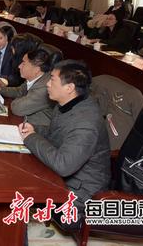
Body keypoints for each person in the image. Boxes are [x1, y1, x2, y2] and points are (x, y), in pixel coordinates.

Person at [19, 60, 111, 227]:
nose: (47, 84)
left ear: (69, 88)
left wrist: (30, 137)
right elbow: (56, 134)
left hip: (79, 194)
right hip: (66, 177)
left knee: (16, 188)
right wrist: (34, 129)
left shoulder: (86, 123)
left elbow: (63, 165)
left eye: (52, 79)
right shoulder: (68, 103)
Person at [0, 48, 54, 126]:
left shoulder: (45, 88)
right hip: (25, 120)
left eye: (23, 63)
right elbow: (20, 91)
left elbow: (17, 108)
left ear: (37, 69)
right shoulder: (36, 77)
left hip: (37, 128)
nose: (19, 66)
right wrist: (0, 90)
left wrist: (21, 97)